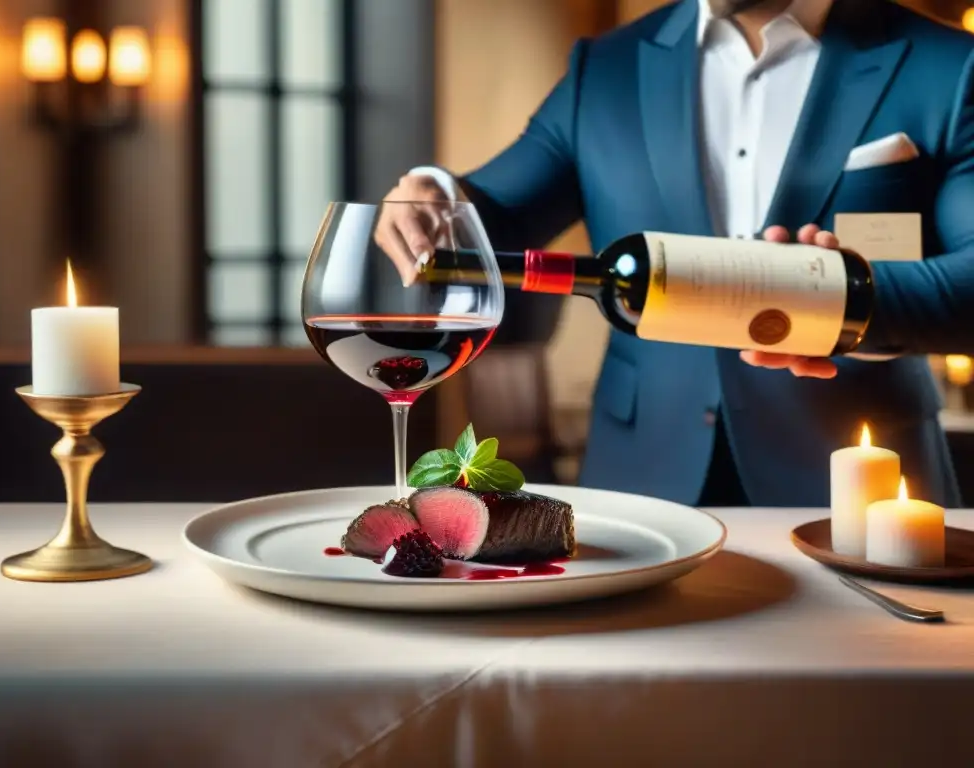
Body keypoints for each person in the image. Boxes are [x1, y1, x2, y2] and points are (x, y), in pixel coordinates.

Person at [376, 0, 974, 508]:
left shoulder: (951, 66)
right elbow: (494, 218)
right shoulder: (605, 67)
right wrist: (433, 194)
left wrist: (836, 300)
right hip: (641, 481)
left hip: (861, 488)